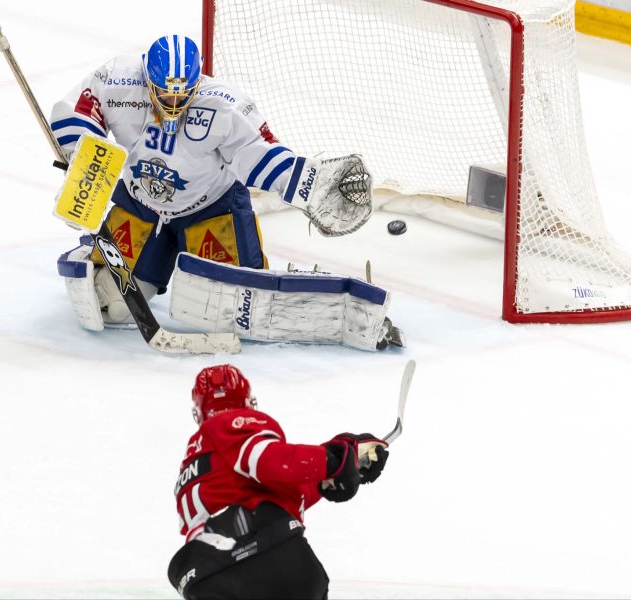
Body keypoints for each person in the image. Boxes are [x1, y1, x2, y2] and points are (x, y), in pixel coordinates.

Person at [50, 35, 375, 335]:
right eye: (164, 92)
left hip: (210, 211)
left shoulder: (224, 105)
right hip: (142, 206)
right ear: (147, 79)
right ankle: (91, 250)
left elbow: (259, 152)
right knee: (115, 305)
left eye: (183, 92)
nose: (173, 102)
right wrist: (83, 174)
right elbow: (75, 113)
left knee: (236, 311)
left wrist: (307, 183)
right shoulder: (117, 79)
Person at [168, 364, 389, 599]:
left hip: (207, 580)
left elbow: (274, 490)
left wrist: (325, 479)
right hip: (267, 560)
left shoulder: (195, 465)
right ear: (247, 401)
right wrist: (332, 460)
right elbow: (267, 461)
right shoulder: (233, 422)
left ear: (199, 411)